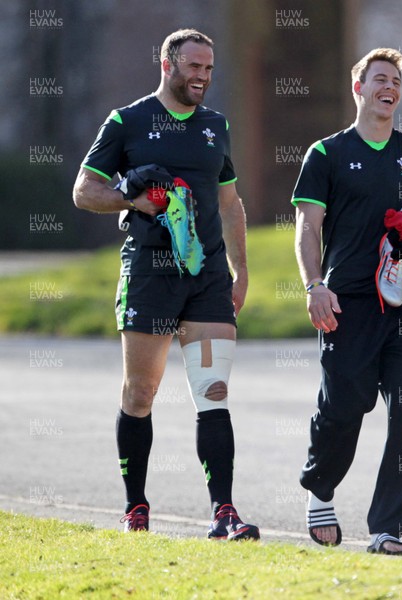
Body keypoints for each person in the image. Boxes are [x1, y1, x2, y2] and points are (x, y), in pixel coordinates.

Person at [73, 28, 259, 540]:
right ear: (167, 65)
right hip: (150, 273)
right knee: (141, 391)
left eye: (209, 70)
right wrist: (132, 199)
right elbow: (84, 191)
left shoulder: (215, 126)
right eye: (193, 67)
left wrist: (241, 270)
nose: (202, 77)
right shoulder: (126, 121)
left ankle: (224, 512)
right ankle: (136, 507)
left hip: (207, 276)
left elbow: (229, 202)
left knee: (213, 391)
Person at [292, 48, 402, 554]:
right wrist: (315, 286)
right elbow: (307, 229)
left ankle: (388, 527)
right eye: (380, 78)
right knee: (346, 403)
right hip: (349, 300)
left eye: (397, 81)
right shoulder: (326, 154)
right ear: (358, 88)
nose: (391, 87)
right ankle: (321, 485)